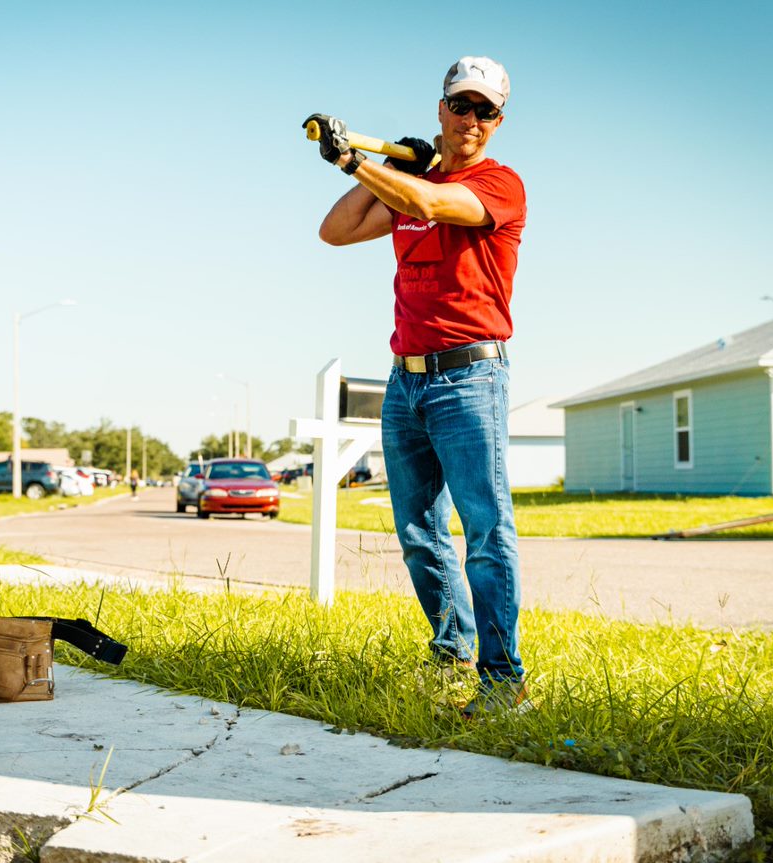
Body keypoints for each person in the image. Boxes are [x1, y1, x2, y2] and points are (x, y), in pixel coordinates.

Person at [305, 55, 528, 714]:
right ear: (441, 109)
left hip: (470, 378)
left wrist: (358, 164)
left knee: (486, 532)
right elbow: (336, 230)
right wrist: (392, 169)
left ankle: (502, 680)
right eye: (461, 104)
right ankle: (452, 648)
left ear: (498, 122)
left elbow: (434, 201)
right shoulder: (410, 185)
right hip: (407, 382)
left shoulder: (499, 184)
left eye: (485, 110)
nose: (471, 119)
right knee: (419, 532)